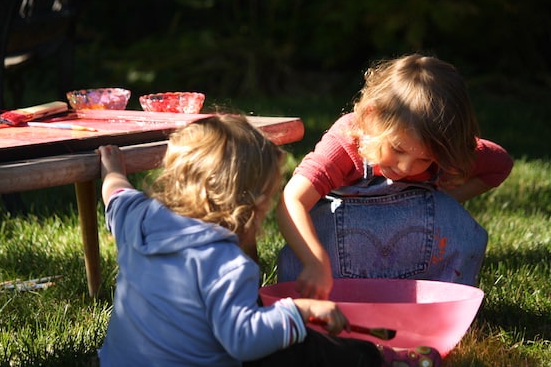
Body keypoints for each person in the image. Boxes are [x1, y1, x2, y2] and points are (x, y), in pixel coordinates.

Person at [96, 114, 441, 367]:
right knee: (297, 347)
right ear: (254, 206)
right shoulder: (227, 265)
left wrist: (112, 168)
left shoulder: (138, 218)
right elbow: (243, 341)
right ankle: (379, 360)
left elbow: (116, 193)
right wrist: (298, 310)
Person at [276, 53, 514, 300]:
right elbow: (292, 201)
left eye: (424, 159)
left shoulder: (446, 150)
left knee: (453, 218)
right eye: (397, 149)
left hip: (418, 288)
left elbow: (500, 165)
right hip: (333, 283)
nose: (406, 167)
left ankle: (440, 304)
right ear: (370, 116)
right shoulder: (346, 141)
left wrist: (445, 200)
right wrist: (315, 261)